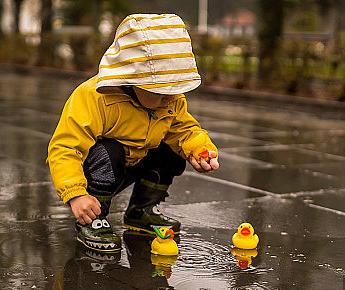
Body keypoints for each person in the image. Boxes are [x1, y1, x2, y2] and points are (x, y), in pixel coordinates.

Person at [47, 13, 220, 253]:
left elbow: (184, 129)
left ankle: (142, 210)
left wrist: (199, 149)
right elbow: (65, 147)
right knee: (110, 151)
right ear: (132, 79)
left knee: (172, 149)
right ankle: (93, 217)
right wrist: (75, 195)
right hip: (98, 172)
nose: (169, 98)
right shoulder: (94, 98)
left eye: (176, 89)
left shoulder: (169, 100)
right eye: (160, 91)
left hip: (137, 160)